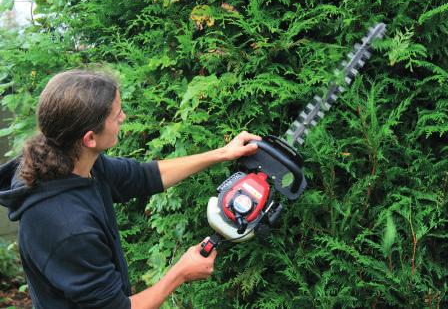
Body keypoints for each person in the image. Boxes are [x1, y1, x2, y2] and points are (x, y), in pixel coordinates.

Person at [0, 70, 261, 309]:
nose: (123, 117)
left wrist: (222, 154)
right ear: (89, 138)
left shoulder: (71, 161)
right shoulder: (68, 228)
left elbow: (143, 176)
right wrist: (179, 273)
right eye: (116, 115)